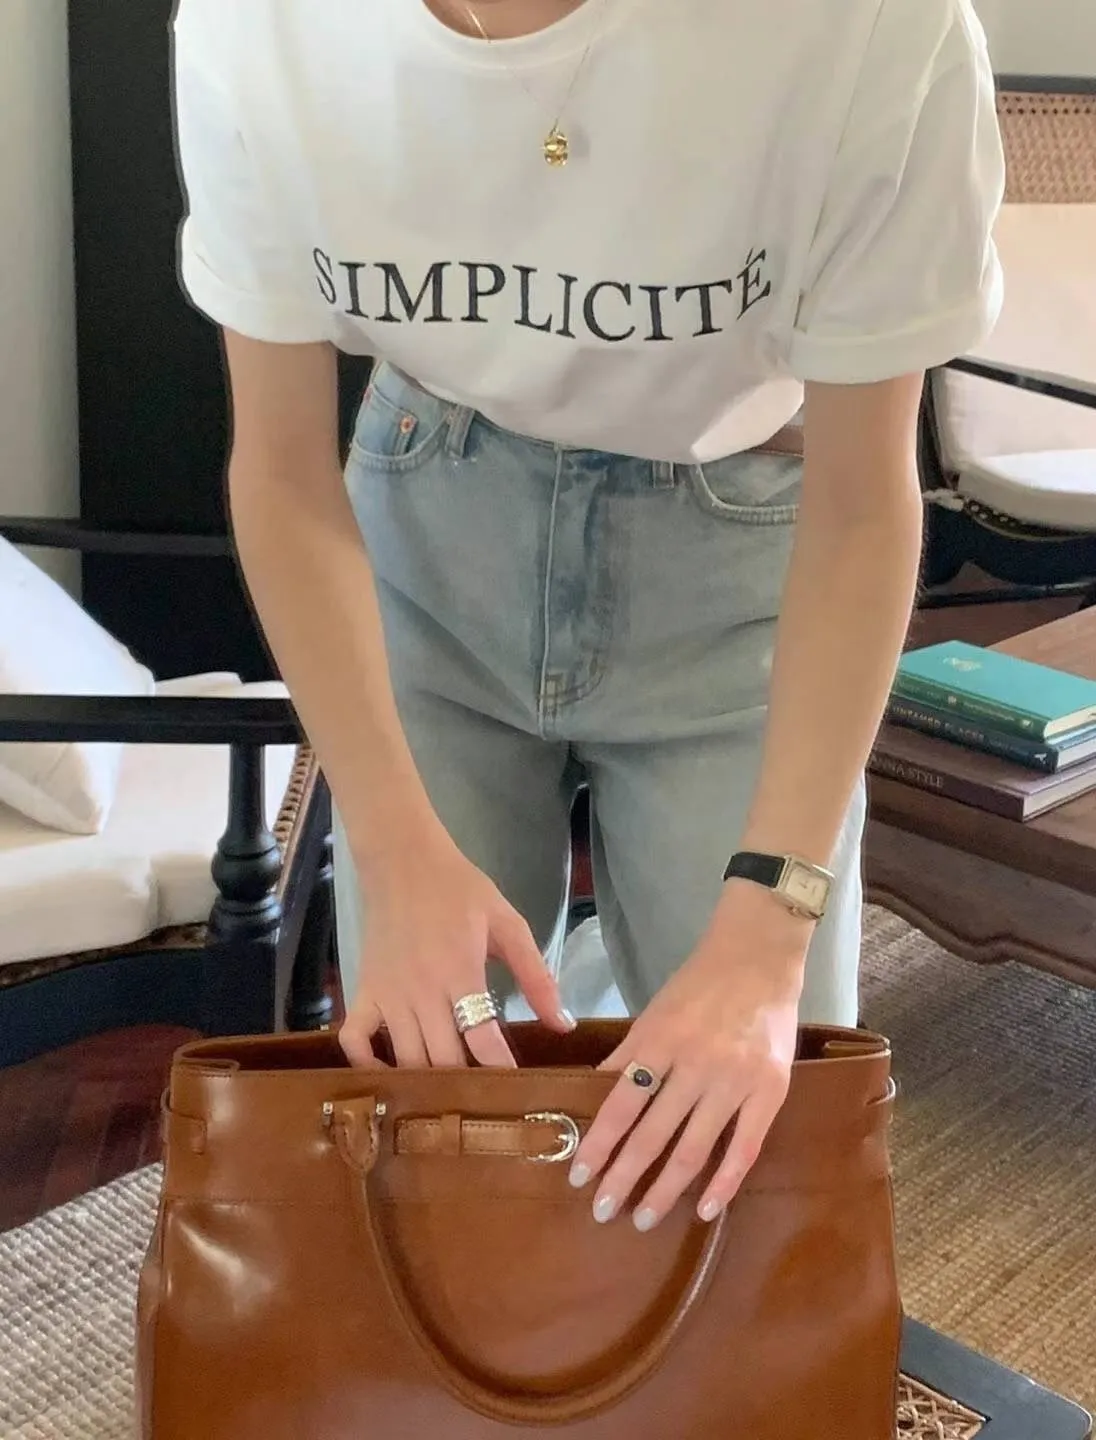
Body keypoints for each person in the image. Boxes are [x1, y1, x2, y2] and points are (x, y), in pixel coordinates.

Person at [172, 0, 1004, 1233]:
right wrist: (392, 852)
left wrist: (770, 925)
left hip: (741, 546)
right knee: (434, 1124)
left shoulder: (870, 28)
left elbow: (861, 500)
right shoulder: (261, 22)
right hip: (428, 522)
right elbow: (283, 468)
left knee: (758, 1142)